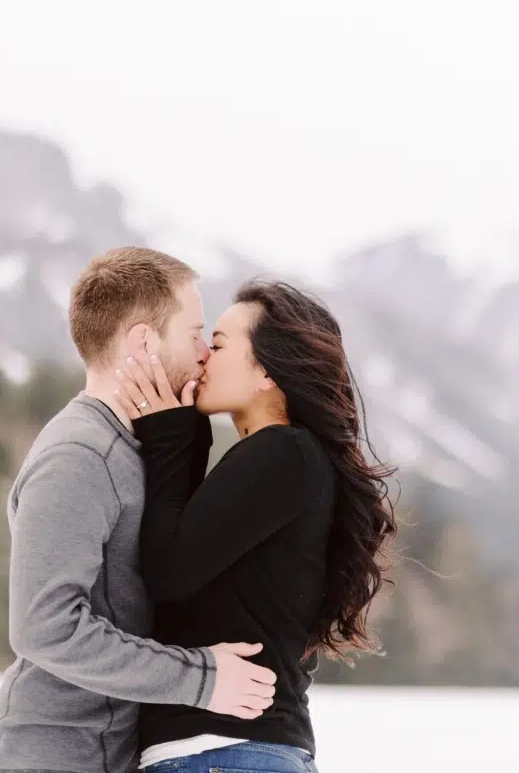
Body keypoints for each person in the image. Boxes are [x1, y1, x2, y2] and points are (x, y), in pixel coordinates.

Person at [0, 248, 278, 773]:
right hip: (46, 758)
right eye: (194, 333)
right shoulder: (78, 454)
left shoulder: (133, 449)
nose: (204, 352)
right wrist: (200, 678)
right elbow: (45, 627)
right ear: (144, 342)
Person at [110, 280, 398, 773]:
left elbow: (167, 571)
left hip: (221, 752)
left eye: (219, 344)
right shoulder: (289, 460)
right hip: (237, 751)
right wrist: (188, 437)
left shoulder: (281, 453)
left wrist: (170, 437)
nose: (204, 356)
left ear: (266, 370)